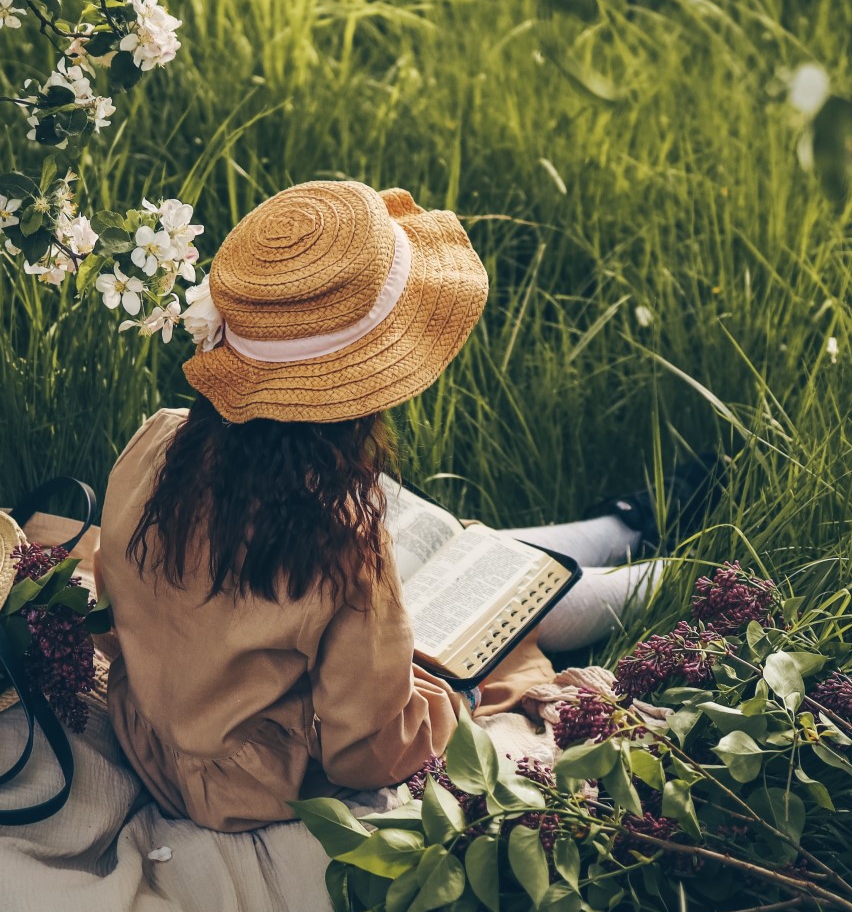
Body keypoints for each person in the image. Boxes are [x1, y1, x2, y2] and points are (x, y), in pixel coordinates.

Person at [93, 180, 684, 832]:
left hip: (150, 729)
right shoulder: (337, 542)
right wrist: (455, 703)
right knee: (498, 635)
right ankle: (671, 571)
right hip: (251, 785)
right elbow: (366, 751)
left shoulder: (158, 441)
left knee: (464, 569)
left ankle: (623, 526)